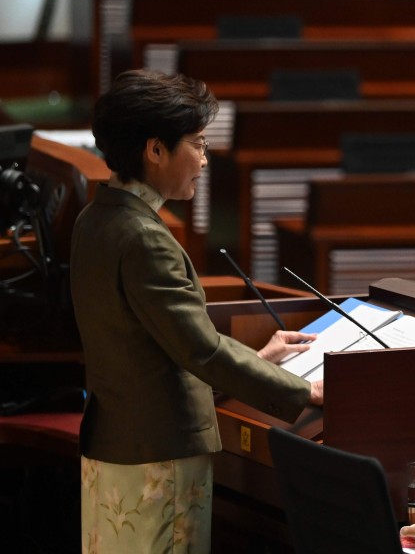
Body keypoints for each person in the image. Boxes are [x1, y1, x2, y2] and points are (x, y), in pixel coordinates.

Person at [70, 69, 323, 553]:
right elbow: (200, 351)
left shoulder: (96, 218)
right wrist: (304, 389)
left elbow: (152, 347)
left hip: (118, 447)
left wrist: (261, 358)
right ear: (155, 150)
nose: (205, 160)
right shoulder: (145, 238)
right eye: (198, 144)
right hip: (158, 458)